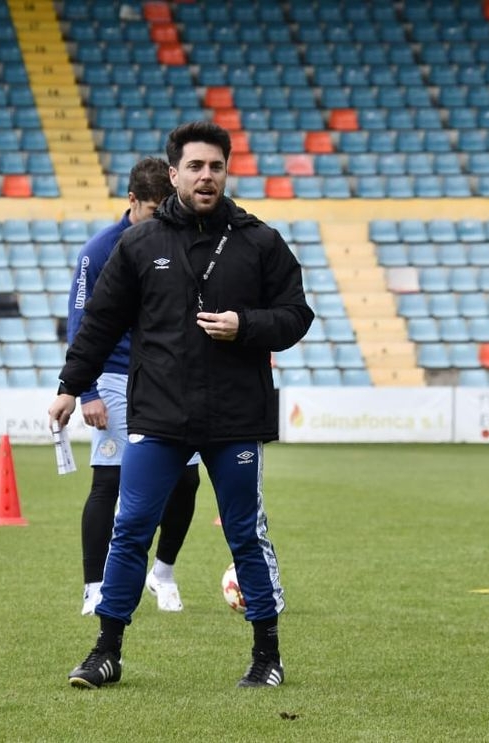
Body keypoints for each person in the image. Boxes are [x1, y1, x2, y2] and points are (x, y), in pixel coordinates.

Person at [49, 121, 315, 689]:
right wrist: (72, 385)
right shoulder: (140, 244)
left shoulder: (259, 240)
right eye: (194, 166)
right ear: (173, 175)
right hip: (161, 416)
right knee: (131, 529)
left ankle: (267, 656)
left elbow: (297, 315)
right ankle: (106, 651)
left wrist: (246, 325)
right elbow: (100, 323)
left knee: (245, 533)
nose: (206, 176)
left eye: (215, 166)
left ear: (226, 172)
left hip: (235, 418)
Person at [67, 157, 201, 616]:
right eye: (150, 210)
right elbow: (81, 322)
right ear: (131, 202)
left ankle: (162, 573)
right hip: (115, 376)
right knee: (109, 480)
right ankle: (94, 587)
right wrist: (85, 391)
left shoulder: (182, 240)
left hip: (170, 378)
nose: (157, 219)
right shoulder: (99, 251)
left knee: (186, 480)